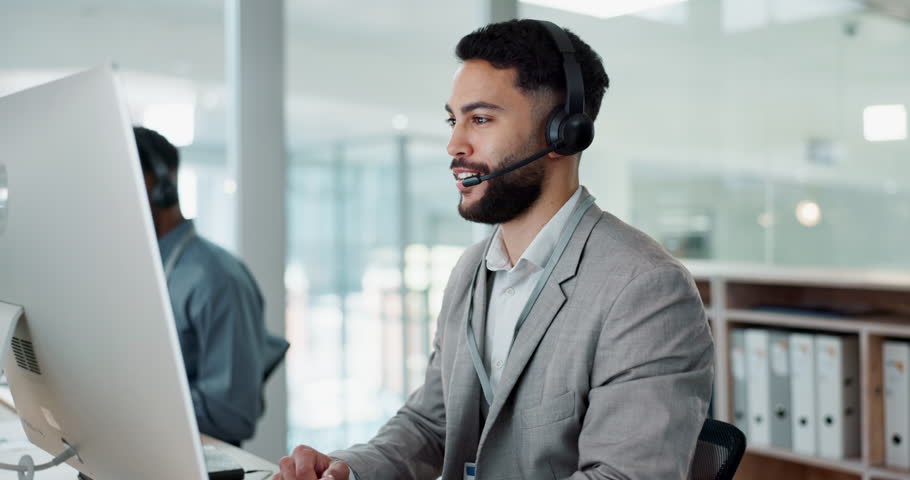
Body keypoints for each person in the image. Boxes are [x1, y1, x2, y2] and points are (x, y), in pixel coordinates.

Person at [275, 19, 713, 479]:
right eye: (454, 119)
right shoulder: (470, 270)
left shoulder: (645, 290)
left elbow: (626, 476)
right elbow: (432, 425)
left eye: (480, 119)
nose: (454, 144)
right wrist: (349, 470)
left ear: (562, 132)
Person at [133, 126, 289, 445]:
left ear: (156, 184)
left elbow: (232, 416)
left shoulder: (216, 279)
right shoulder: (135, 271)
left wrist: (130, 396)